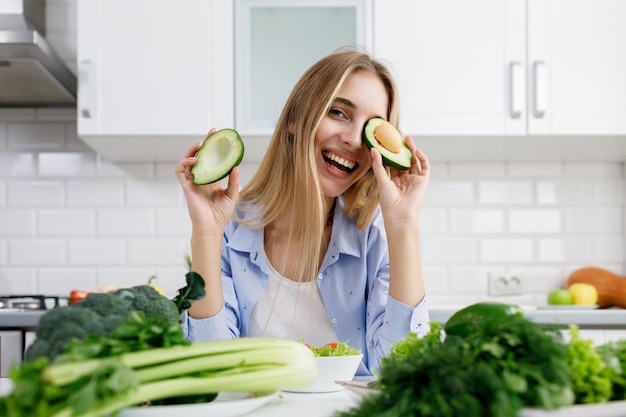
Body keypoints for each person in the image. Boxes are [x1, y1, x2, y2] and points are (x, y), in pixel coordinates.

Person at [175, 47, 430, 376]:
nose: (354, 139)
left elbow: (403, 371)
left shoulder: (375, 238)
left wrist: (405, 224)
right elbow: (210, 369)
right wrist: (206, 234)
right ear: (295, 120)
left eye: (372, 128)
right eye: (338, 112)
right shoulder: (231, 231)